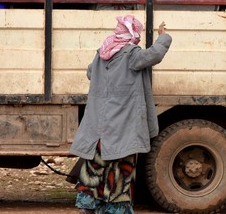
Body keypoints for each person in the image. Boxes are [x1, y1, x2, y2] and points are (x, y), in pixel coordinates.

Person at [70, 15, 171, 214]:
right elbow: (155, 55)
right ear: (132, 33)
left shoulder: (102, 52)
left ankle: (88, 205)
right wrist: (163, 37)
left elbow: (91, 73)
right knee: (121, 168)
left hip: (99, 125)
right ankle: (116, 208)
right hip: (122, 125)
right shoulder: (131, 54)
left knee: (96, 165)